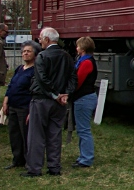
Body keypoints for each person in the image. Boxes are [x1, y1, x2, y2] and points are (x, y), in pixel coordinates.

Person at [23, 27, 77, 177]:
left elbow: (42, 79)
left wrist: (55, 94)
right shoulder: (67, 56)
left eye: (40, 38)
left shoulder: (42, 56)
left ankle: (34, 168)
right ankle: (54, 167)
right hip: (59, 103)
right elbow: (73, 77)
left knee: (36, 135)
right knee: (55, 134)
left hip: (42, 99)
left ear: (46, 39)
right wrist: (66, 93)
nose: (39, 41)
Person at [1, 40, 40, 170]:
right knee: (14, 134)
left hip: (24, 107)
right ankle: (17, 159)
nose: (25, 54)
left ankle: (29, 161)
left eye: (28, 51)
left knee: (26, 135)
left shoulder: (34, 71)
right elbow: (11, 85)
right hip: (12, 106)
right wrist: (5, 102)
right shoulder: (19, 69)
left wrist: (31, 110)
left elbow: (34, 92)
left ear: (35, 54)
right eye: (23, 51)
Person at [70, 37, 99, 168]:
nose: (76, 48)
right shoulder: (84, 61)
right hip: (85, 97)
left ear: (82, 48)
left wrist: (69, 92)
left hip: (83, 98)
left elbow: (78, 81)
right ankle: (83, 156)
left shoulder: (86, 63)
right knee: (82, 129)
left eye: (78, 46)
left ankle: (86, 158)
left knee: (83, 129)